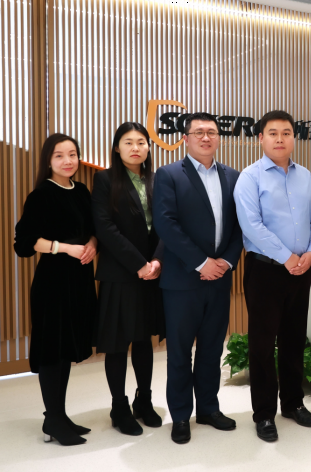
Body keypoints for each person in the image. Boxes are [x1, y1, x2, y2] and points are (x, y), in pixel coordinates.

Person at [234, 110, 311, 442]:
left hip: (301, 270)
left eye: (286, 133)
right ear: (261, 138)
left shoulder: (305, 176)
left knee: (294, 339)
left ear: (293, 138)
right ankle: (263, 414)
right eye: (272, 133)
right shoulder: (250, 177)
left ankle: (292, 403)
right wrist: (287, 257)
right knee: (262, 344)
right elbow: (251, 226)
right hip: (265, 271)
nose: (280, 139)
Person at [153, 112, 244, 444]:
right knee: (179, 352)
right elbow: (166, 224)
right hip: (182, 280)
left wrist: (227, 262)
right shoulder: (168, 175)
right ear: (186, 138)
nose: (206, 138)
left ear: (219, 138)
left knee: (211, 349)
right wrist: (201, 262)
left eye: (212, 132)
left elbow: (239, 226)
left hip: (219, 279)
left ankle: (208, 408)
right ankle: (180, 415)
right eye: (199, 132)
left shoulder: (232, 176)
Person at [14, 134, 98, 446]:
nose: (67, 161)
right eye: (59, 155)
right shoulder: (41, 195)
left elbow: (93, 230)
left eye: (72, 154)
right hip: (53, 284)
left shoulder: (82, 191)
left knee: (66, 352)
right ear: (48, 161)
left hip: (79, 282)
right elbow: (25, 242)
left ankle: (59, 416)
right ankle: (53, 418)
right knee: (52, 352)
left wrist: (92, 244)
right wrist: (66, 248)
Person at [92, 122, 166, 436]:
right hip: (120, 274)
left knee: (144, 340)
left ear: (149, 147)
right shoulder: (105, 179)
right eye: (128, 142)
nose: (135, 148)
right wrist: (138, 264)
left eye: (141, 142)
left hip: (152, 273)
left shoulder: (157, 180)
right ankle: (119, 407)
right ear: (117, 147)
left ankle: (143, 401)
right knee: (118, 343)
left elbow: (166, 223)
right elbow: (104, 227)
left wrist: (157, 261)